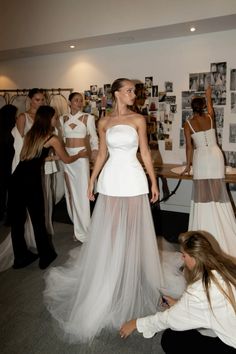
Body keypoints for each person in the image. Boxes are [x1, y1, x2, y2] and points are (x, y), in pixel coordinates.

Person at [44, 78, 163, 343]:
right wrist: (91, 178)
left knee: (133, 229)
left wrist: (153, 181)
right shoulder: (103, 122)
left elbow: (145, 151)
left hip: (133, 178)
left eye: (135, 90)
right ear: (117, 94)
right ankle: (110, 274)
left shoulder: (139, 119)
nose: (134, 94)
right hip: (110, 179)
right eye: (130, 90)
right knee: (109, 231)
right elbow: (101, 154)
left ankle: (130, 275)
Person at [120, 230, 236, 353]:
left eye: (184, 255)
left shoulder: (200, 289)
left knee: (171, 338)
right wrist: (178, 304)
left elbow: (168, 319)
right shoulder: (226, 268)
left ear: (194, 258)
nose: (182, 258)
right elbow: (209, 306)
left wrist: (136, 323)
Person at [8, 106, 87, 270]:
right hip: (31, 182)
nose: (56, 120)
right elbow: (67, 159)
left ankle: (20, 258)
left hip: (16, 179)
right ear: (49, 118)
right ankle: (46, 256)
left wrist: (50, 157)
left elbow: (26, 157)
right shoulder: (52, 137)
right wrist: (79, 155)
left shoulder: (31, 134)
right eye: (55, 117)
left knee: (17, 221)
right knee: (38, 219)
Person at [183, 86, 236, 257]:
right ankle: (222, 229)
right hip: (215, 155)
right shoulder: (210, 117)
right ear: (203, 107)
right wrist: (208, 95)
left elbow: (189, 148)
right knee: (218, 192)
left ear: (192, 108)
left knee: (203, 195)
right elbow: (211, 108)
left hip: (202, 157)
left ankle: (206, 228)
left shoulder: (188, 123)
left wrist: (188, 166)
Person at [59, 92, 98, 242]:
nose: (79, 103)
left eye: (81, 101)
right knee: (70, 193)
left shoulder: (89, 118)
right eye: (76, 100)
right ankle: (77, 227)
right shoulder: (63, 119)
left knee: (82, 194)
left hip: (81, 158)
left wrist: (94, 150)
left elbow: (94, 137)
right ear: (69, 102)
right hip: (67, 158)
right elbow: (62, 139)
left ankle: (85, 230)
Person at [0, 104, 17, 223]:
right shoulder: (11, 129)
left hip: (5, 163)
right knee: (11, 192)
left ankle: (3, 215)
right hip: (9, 163)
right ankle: (10, 217)